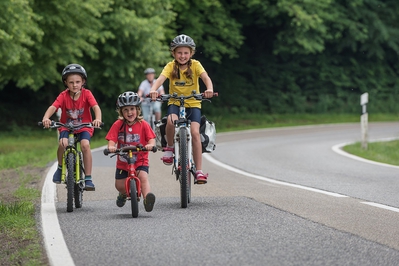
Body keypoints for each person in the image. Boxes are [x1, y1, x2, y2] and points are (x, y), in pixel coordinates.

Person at [149, 34, 214, 185]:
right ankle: (170, 147)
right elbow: (160, 80)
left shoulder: (196, 65)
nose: (182, 56)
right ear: (173, 53)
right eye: (179, 52)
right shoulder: (170, 66)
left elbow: (206, 78)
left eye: (186, 53)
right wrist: (153, 90)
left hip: (193, 103)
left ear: (191, 53)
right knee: (171, 122)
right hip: (175, 103)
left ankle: (199, 171)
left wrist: (209, 88)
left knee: (195, 133)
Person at [42, 63, 102, 190]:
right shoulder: (63, 96)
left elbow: (96, 107)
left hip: (84, 127)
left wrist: (97, 119)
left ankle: (88, 178)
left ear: (83, 82)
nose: (74, 85)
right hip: (66, 126)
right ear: (65, 83)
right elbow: (53, 107)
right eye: (71, 82)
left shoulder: (87, 94)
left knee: (85, 145)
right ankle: (59, 168)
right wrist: (46, 118)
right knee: (62, 144)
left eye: (77, 82)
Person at [105, 91, 156, 211]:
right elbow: (111, 139)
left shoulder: (143, 124)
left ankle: (147, 199)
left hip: (140, 160)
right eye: (126, 110)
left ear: (138, 109)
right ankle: (123, 194)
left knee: (143, 177)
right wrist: (111, 147)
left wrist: (150, 145)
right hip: (123, 162)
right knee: (119, 185)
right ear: (121, 111)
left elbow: (151, 139)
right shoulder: (118, 124)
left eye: (132, 109)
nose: (129, 112)